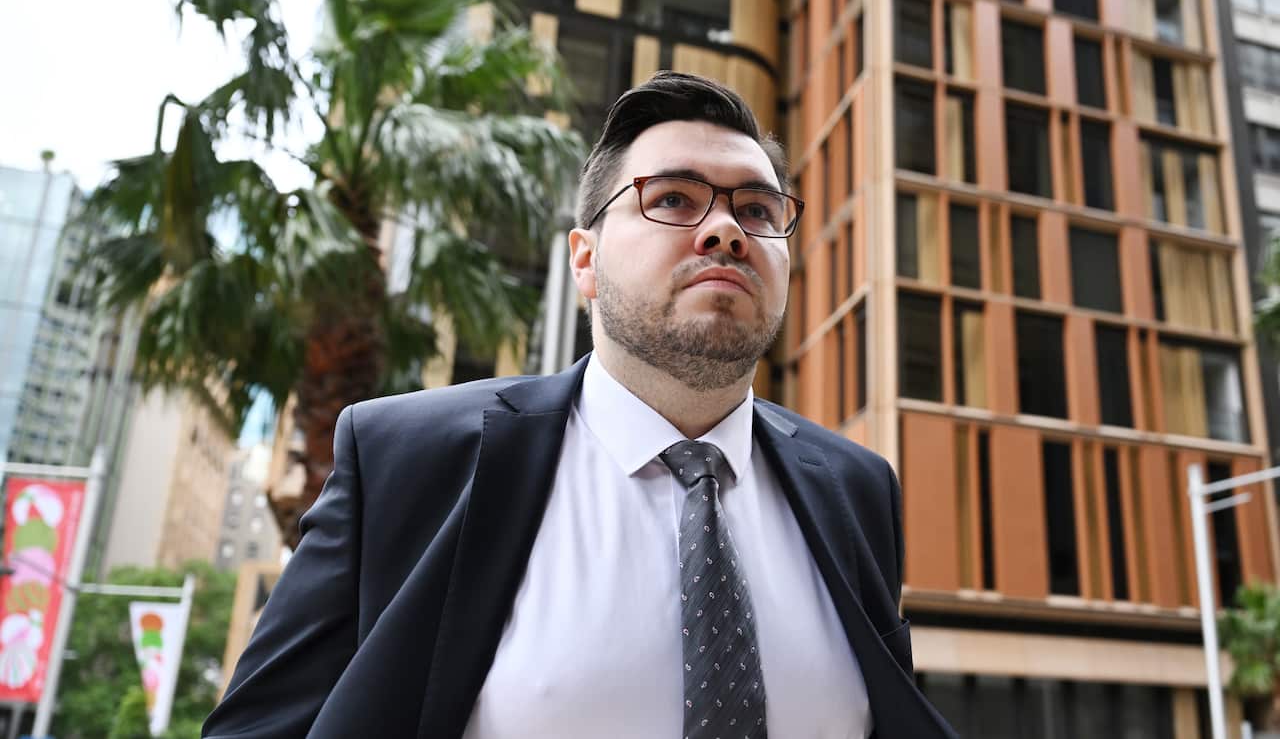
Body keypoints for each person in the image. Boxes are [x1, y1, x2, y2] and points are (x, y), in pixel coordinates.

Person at [203, 72, 957, 738]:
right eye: (673, 199)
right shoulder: (407, 459)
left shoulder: (858, 490)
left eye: (758, 210)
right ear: (585, 260)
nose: (727, 229)